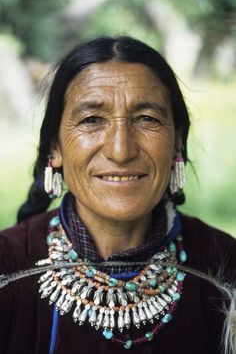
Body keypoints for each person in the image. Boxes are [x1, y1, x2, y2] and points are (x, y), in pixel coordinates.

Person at [0, 36, 235, 354]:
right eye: (92, 120)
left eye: (147, 119)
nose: (121, 150)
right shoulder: (8, 269)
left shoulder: (223, 267)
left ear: (177, 141)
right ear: (55, 147)